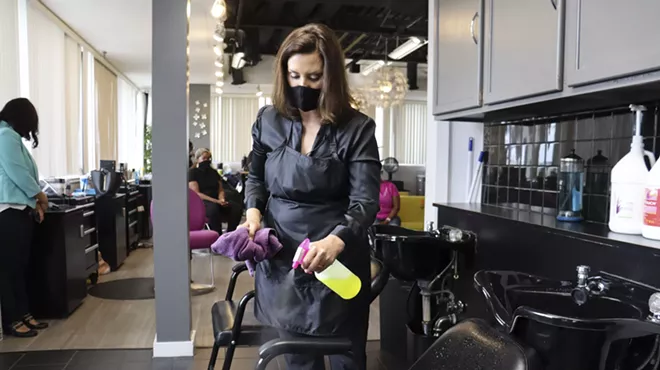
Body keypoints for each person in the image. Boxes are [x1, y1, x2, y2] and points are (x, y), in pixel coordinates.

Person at [241, 23, 381, 370]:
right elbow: (256, 177)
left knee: (347, 357)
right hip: (285, 258)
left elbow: (365, 202)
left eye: (314, 77)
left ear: (330, 76)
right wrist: (253, 212)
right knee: (297, 359)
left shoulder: (357, 129)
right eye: (294, 76)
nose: (302, 85)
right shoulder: (268, 120)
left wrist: (336, 240)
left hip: (337, 259)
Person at [0, 98, 49, 337]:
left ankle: (23, 313)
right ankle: (12, 319)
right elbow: (17, 173)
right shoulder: (5, 136)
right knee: (10, 268)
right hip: (8, 211)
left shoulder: (11, 137)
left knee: (19, 266)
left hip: (18, 209)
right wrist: (41, 197)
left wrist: (34, 203)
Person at [188, 148, 242, 234]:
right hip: (203, 201)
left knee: (236, 208)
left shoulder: (214, 172)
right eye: (204, 158)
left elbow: (220, 189)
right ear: (197, 159)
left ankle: (230, 234)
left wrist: (221, 200)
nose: (207, 160)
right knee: (214, 209)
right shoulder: (192, 173)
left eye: (209, 158)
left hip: (216, 199)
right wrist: (216, 201)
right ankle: (217, 236)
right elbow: (197, 194)